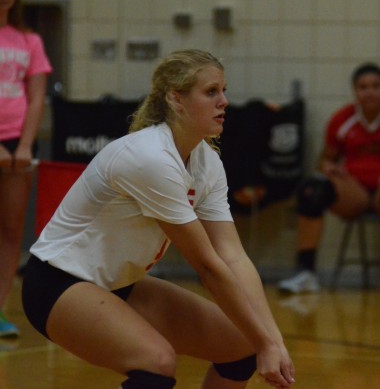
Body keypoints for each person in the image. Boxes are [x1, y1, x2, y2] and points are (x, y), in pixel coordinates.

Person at [21, 50, 295, 389]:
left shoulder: (206, 161)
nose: (224, 101)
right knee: (157, 362)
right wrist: (267, 342)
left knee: (242, 345)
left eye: (224, 91)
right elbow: (208, 265)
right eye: (211, 92)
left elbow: (233, 256)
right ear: (176, 99)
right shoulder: (149, 157)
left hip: (121, 284)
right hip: (58, 284)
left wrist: (271, 339)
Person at [278, 62, 380, 295]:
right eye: (363, 87)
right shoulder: (343, 119)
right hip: (355, 192)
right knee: (313, 190)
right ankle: (305, 271)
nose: (370, 92)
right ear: (355, 91)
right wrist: (330, 169)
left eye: (376, 86)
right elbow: (324, 162)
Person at [0, 0, 51, 337]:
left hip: (16, 144)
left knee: (11, 229)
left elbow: (35, 98)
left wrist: (26, 144)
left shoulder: (29, 40)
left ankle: (0, 310)